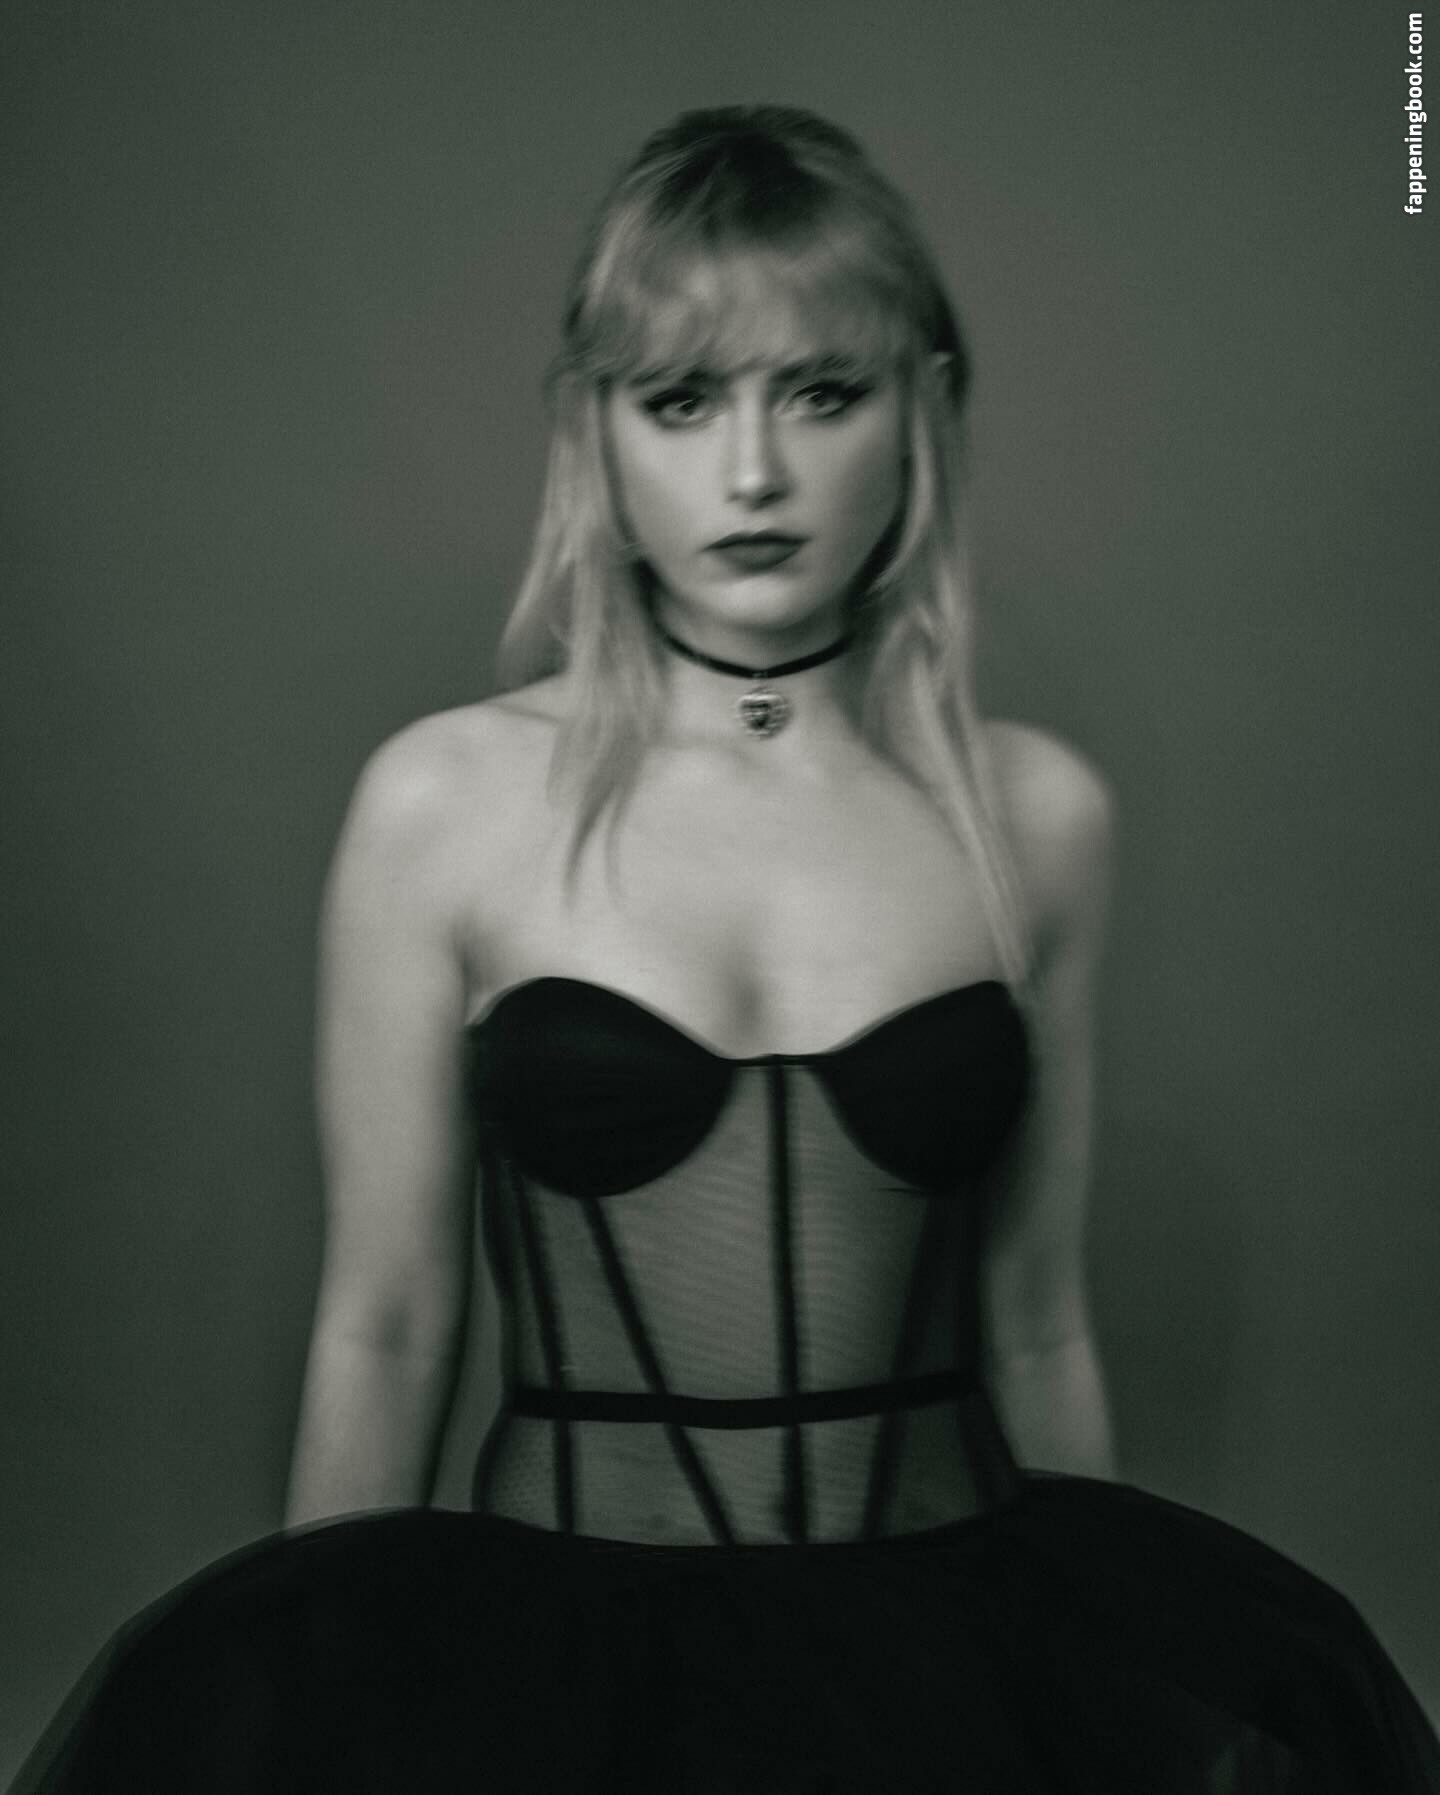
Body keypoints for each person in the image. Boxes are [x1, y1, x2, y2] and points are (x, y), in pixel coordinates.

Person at [13, 103, 1439, 1795]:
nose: (753, 474)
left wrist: (1112, 1711)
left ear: (922, 408)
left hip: (949, 1663)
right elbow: (386, 1324)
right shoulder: (443, 803)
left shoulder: (1036, 815)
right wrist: (329, 1718)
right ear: (594, 432)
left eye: (820, 392)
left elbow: (1037, 1326)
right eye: (681, 400)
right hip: (558, 1676)